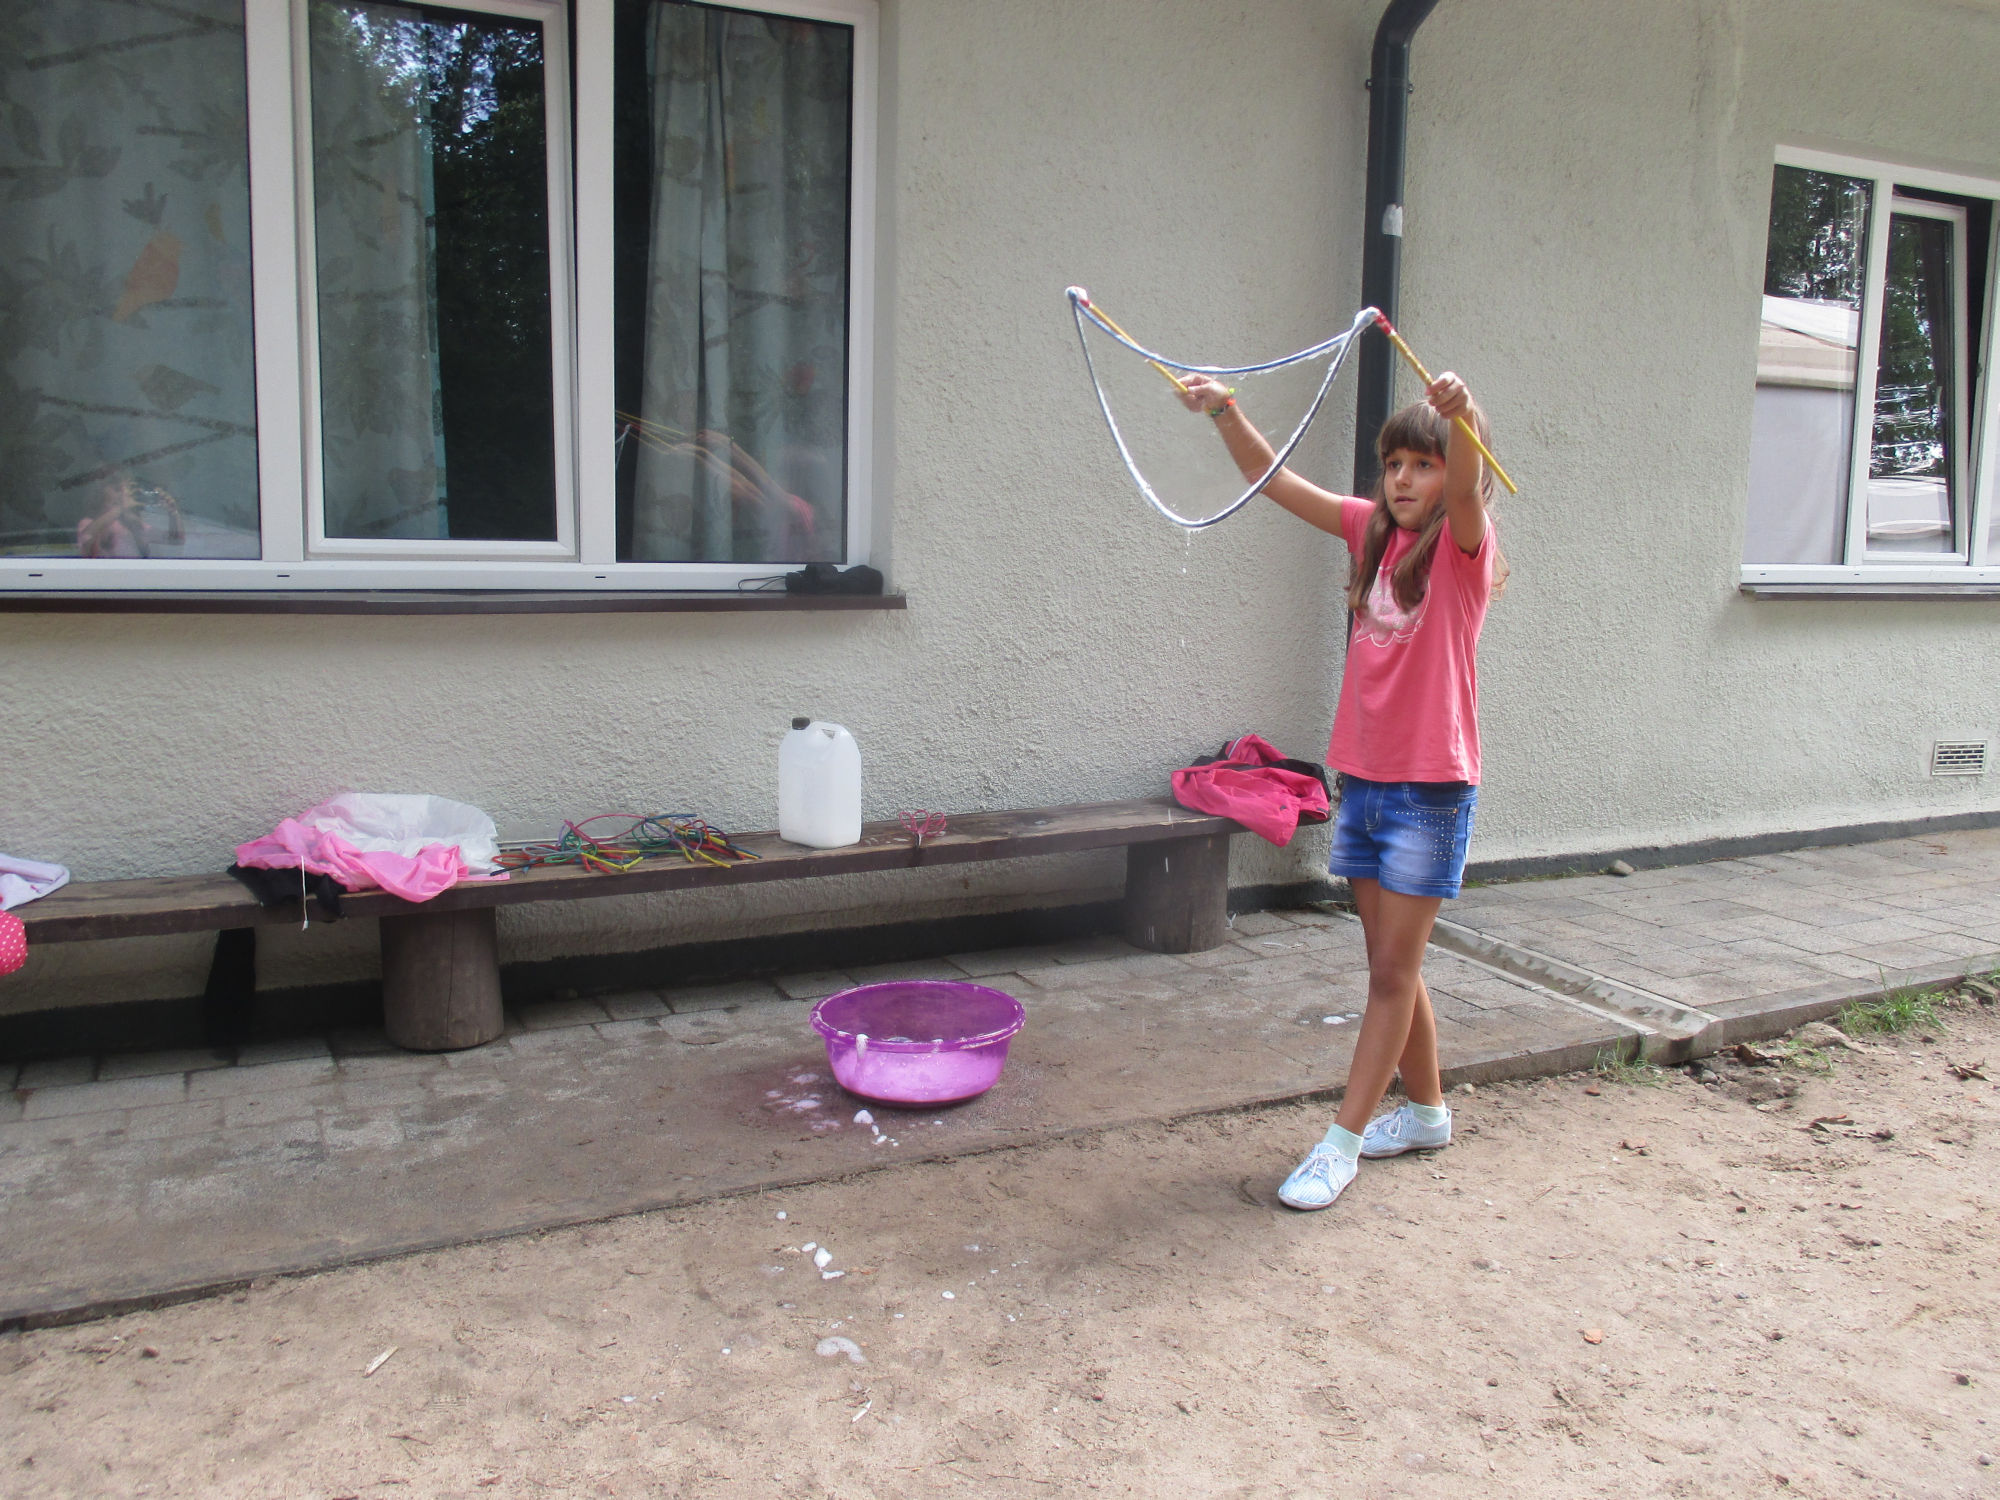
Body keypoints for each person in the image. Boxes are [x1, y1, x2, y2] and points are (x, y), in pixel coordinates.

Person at [1176, 363, 1507, 1211]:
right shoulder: (1370, 534)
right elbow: (1274, 480)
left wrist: (1463, 416)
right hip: (1363, 784)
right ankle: (1426, 1116)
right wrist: (1225, 411)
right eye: (1394, 464)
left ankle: (1341, 1143)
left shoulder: (1462, 552)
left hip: (1430, 793)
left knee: (1392, 973)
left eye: (1423, 465)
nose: (1403, 479)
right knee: (1392, 967)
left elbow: (1466, 489)